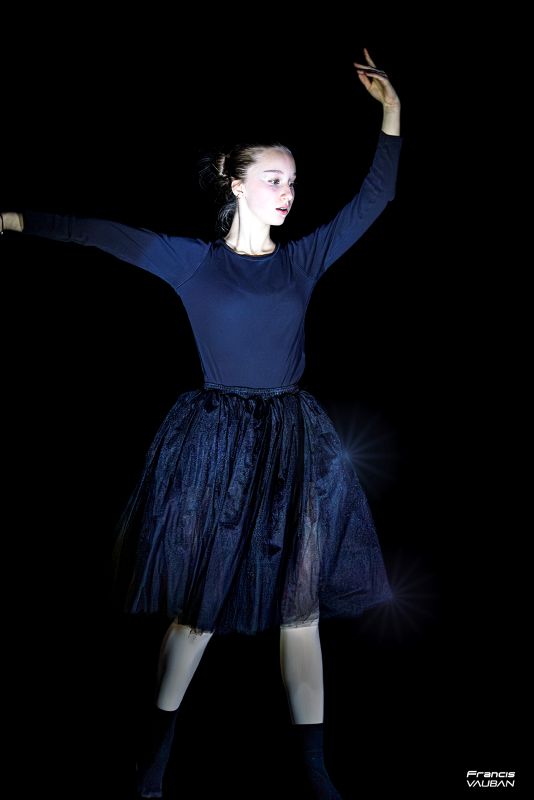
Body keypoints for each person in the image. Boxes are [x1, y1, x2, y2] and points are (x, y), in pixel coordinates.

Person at [1, 48, 401, 799]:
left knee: (302, 610)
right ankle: (153, 760)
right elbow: (100, 232)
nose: (288, 193)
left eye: (293, 181)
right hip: (220, 442)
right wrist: (17, 219)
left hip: (295, 441)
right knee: (198, 613)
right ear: (236, 182)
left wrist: (391, 116)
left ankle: (317, 772)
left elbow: (374, 199)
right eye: (275, 179)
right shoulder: (192, 263)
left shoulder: (302, 260)